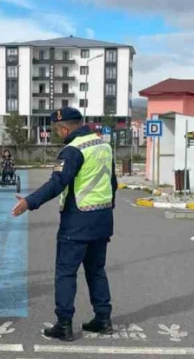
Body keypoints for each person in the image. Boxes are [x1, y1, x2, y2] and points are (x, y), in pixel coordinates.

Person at [11, 107, 116, 341]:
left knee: (66, 273)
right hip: (102, 219)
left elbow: (57, 183)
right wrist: (109, 209)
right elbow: (113, 183)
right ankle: (103, 319)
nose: (57, 134)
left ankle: (64, 324)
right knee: (96, 271)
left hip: (77, 220)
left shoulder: (72, 150)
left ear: (64, 127)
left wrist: (29, 202)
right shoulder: (103, 145)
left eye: (56, 130)